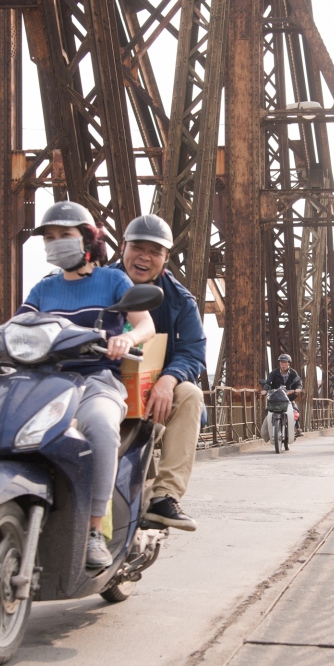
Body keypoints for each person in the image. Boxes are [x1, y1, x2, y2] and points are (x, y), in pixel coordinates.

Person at [0, 201, 157, 569]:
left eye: (65, 235)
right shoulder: (44, 288)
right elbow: (17, 327)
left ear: (87, 240)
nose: (55, 243)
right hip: (44, 381)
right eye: (49, 237)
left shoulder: (112, 280)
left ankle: (94, 530)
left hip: (96, 379)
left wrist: (128, 339)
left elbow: (146, 324)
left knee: (100, 424)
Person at [114, 214, 205, 531]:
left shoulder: (180, 300)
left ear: (166, 258)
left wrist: (170, 378)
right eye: (137, 247)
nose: (144, 257)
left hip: (152, 393)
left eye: (154, 252)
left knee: (190, 394)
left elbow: (193, 350)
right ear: (122, 246)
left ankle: (164, 496)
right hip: (102, 383)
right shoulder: (99, 283)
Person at [261, 353, 303, 437]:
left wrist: (298, 388)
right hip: (276, 398)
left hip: (289, 398)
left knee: (295, 410)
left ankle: (297, 429)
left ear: (289, 363)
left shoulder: (293, 373)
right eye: (281, 362)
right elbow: (268, 382)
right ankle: (270, 428)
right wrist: (265, 390)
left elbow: (298, 383)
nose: (283, 364)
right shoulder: (274, 372)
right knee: (268, 410)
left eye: (285, 362)